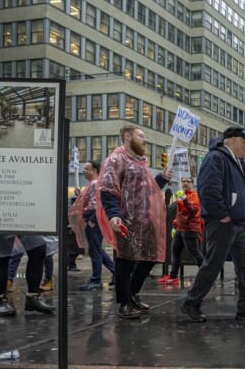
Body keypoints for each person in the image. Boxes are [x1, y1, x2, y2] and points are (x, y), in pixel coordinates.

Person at [180, 127, 245, 323]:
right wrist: (222, 215)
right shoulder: (216, 158)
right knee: (213, 263)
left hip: (236, 223)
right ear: (231, 140)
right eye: (244, 142)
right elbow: (207, 189)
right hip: (223, 223)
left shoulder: (237, 161)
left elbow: (240, 194)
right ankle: (191, 303)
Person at [97, 124, 172, 319]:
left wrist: (161, 179)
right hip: (126, 219)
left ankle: (132, 294)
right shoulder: (116, 159)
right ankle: (124, 303)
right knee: (125, 260)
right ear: (128, 136)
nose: (145, 139)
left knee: (152, 256)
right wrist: (114, 214)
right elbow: (107, 188)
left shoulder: (140, 162)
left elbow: (147, 189)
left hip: (144, 218)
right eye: (141, 135)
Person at [70, 160, 116, 291]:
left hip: (93, 220)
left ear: (95, 170)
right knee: (96, 249)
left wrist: (92, 219)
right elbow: (90, 200)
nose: (84, 171)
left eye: (87, 169)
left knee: (95, 251)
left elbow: (97, 204)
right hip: (93, 219)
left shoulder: (96, 183)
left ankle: (96, 280)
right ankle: (115, 272)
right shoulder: (93, 184)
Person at [0, 235, 55, 316]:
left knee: (38, 247)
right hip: (0, 223)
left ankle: (33, 296)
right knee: (1, 254)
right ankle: (0, 299)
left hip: (22, 223)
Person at [158, 176, 205, 286]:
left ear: (193, 184)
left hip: (190, 229)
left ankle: (206, 275)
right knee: (175, 252)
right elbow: (180, 213)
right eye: (183, 181)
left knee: (195, 253)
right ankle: (173, 276)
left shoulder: (195, 196)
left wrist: (184, 199)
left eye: (188, 181)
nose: (185, 183)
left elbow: (193, 211)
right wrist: (175, 225)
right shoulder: (182, 195)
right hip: (180, 229)